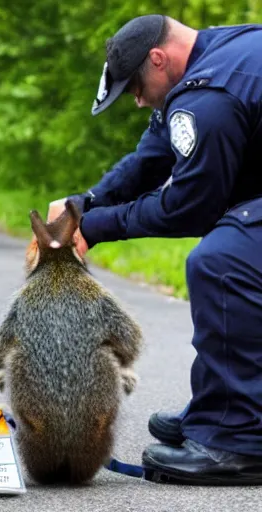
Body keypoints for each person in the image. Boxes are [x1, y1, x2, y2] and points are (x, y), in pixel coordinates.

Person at [50, 14, 262, 485]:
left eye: (135, 88)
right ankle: (221, 410)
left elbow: (189, 206)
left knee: (224, 263)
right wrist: (83, 206)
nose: (138, 99)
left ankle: (241, 443)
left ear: (158, 58)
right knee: (240, 246)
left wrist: (98, 228)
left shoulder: (209, 97)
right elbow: (152, 157)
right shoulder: (227, 48)